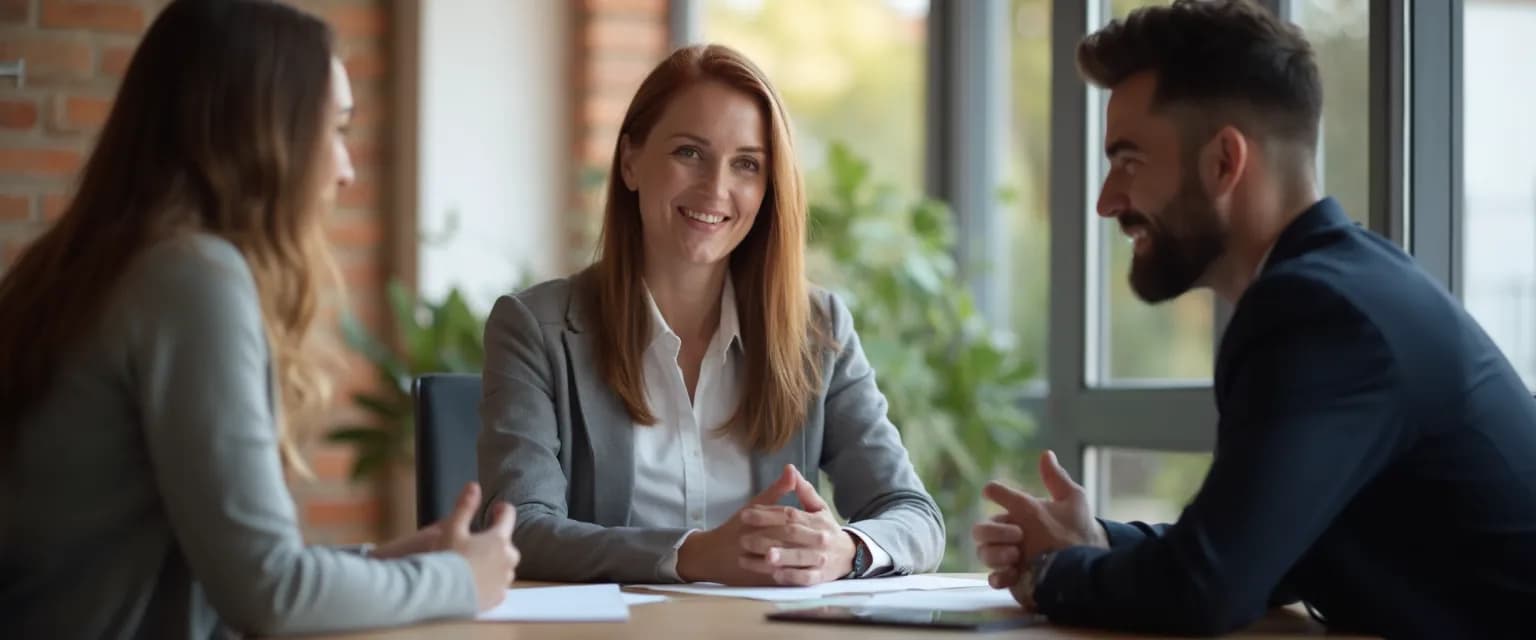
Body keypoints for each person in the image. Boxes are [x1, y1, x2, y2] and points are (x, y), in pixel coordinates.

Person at [971, 1, 1536, 637]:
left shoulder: (1320, 313)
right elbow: (1264, 551)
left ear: (1223, 162)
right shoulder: (1345, 284)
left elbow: (1204, 589)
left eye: (1127, 160)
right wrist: (1095, 538)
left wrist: (1053, 572)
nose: (1106, 202)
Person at [0, 1, 519, 636]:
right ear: (260, 137)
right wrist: (461, 581)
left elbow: (233, 574)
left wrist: (383, 564)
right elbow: (270, 595)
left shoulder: (98, 266)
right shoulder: (190, 277)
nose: (347, 170)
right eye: (334, 130)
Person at [477, 44, 944, 586]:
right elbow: (521, 529)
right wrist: (693, 555)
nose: (716, 188)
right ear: (631, 161)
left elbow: (914, 515)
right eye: (689, 153)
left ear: (769, 189)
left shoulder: (817, 328)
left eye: (746, 164)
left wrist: (847, 550)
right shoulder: (536, 327)